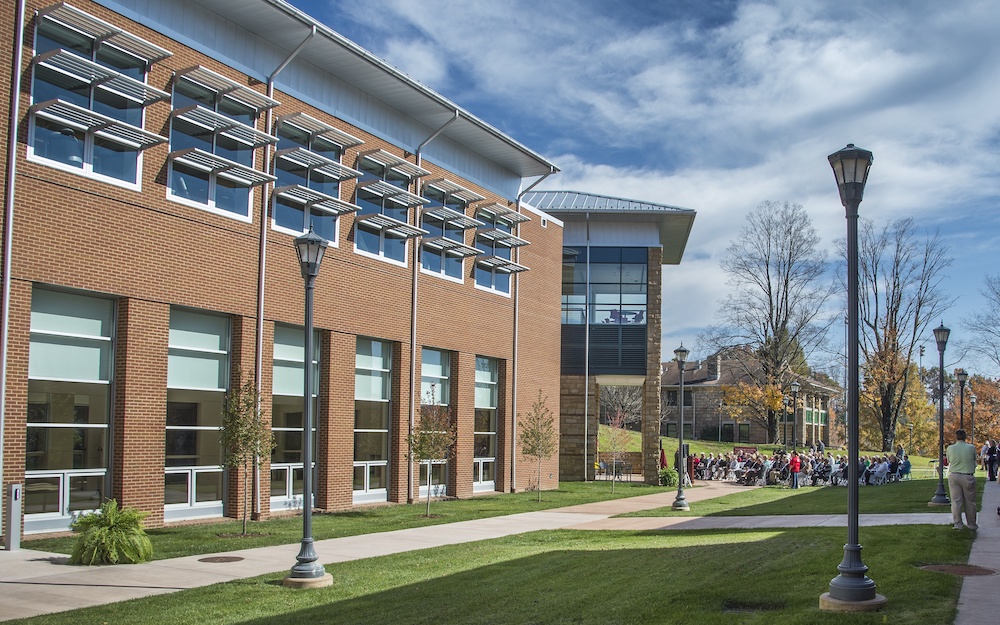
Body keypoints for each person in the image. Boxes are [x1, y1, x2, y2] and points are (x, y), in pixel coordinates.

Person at [946, 429, 978, 531]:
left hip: (954, 475)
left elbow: (949, 460)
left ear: (956, 437)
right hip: (968, 475)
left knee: (956, 501)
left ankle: (958, 524)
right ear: (965, 437)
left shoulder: (950, 448)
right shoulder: (972, 448)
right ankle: (972, 525)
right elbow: (974, 460)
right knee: (970, 502)